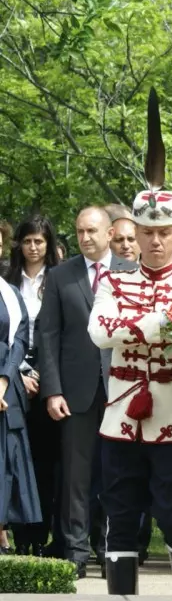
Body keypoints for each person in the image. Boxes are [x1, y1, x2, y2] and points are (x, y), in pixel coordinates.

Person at [88, 88, 172, 595]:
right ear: (133, 231)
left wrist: (132, 328)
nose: (155, 241)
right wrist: (160, 323)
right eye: (147, 231)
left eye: (166, 232)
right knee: (119, 511)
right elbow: (99, 333)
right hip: (121, 414)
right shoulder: (112, 282)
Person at [36, 207, 134, 578]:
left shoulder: (130, 273)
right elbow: (48, 337)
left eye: (92, 230)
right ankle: (75, 550)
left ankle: (111, 547)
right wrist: (53, 390)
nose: (85, 237)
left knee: (118, 473)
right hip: (75, 391)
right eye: (79, 231)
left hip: (122, 389)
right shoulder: (62, 275)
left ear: (110, 233)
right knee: (76, 477)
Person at [5, 216, 61, 557]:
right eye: (28, 241)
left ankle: (40, 534)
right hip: (11, 380)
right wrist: (19, 374)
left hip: (48, 380)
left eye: (40, 241)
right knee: (14, 459)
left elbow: (57, 333)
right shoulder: (7, 279)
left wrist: (41, 375)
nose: (34, 247)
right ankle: (17, 532)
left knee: (45, 461)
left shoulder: (57, 278)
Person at [0, 230, 41, 554]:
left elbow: (20, 340)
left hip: (7, 389)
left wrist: (3, 379)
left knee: (7, 464)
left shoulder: (9, 292)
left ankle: (2, 531)